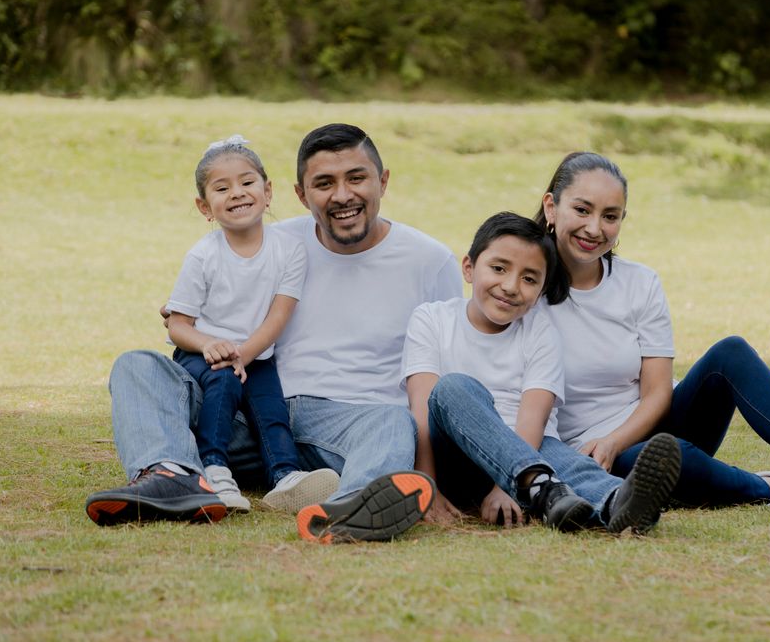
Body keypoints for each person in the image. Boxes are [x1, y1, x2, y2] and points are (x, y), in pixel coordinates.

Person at [86, 124, 461, 543]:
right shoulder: (269, 239)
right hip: (249, 412)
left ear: (383, 181)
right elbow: (207, 299)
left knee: (393, 421)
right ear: (299, 194)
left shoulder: (430, 261)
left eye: (357, 178)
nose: (342, 196)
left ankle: (354, 503)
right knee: (138, 365)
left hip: (352, 427)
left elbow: (439, 373)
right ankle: (171, 474)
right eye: (324, 183)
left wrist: (433, 473)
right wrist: (191, 324)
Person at [534, 152, 770, 529]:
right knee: (668, 457)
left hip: (652, 424)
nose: (595, 228)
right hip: (595, 459)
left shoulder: (640, 283)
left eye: (610, 216)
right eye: (582, 210)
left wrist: (615, 439)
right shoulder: (525, 292)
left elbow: (658, 393)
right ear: (551, 206)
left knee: (731, 353)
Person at [402, 212, 682, 535]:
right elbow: (422, 410)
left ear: (541, 290)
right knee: (453, 388)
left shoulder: (540, 331)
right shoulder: (432, 320)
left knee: (564, 457)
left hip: (531, 449)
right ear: (468, 267)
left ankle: (616, 501)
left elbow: (533, 419)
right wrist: (427, 486)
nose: (510, 286)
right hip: (457, 456)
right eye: (498, 268)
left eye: (529, 279)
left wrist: (507, 486)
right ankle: (542, 487)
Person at [164, 135, 338, 514]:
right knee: (224, 381)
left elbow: (279, 315)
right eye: (222, 188)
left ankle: (285, 476)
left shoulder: (288, 250)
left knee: (271, 409)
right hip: (202, 355)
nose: (237, 193)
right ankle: (214, 469)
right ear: (204, 206)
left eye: (247, 182)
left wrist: (244, 353)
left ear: (268, 190)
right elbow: (178, 325)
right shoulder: (203, 256)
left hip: (256, 354)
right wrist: (210, 344)